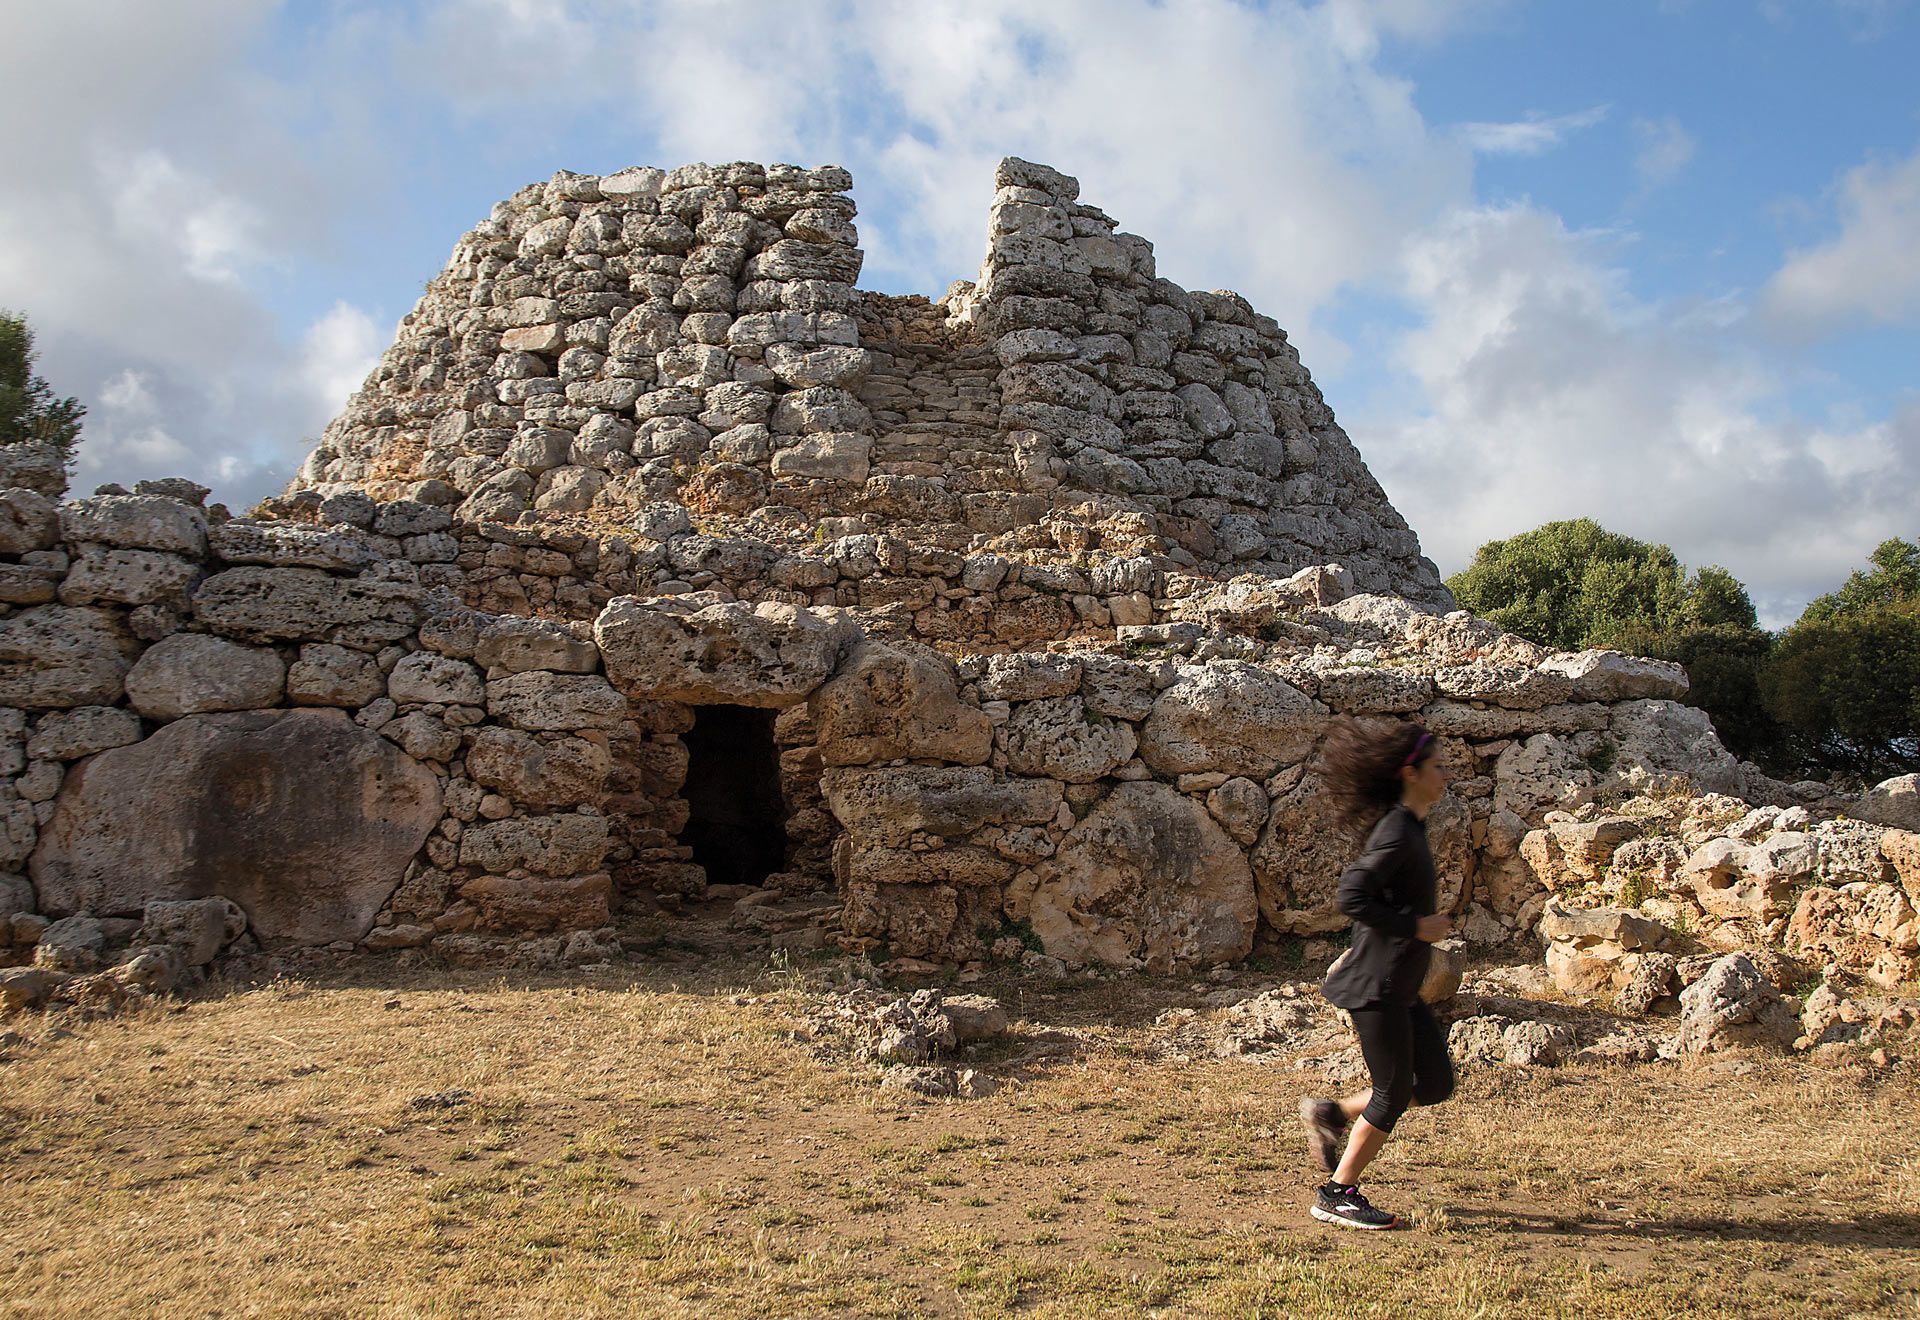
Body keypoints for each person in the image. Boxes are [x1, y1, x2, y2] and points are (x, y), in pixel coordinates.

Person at [1297, 717, 1456, 1230]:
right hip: (1379, 986)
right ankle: (1337, 1194)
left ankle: (1333, 1114)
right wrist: (1417, 925)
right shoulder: (1396, 832)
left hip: (1400, 988)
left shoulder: (1409, 827)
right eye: (1437, 767)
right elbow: (1352, 896)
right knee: (1391, 1092)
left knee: (1432, 1082)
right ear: (1411, 773)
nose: (1446, 775)